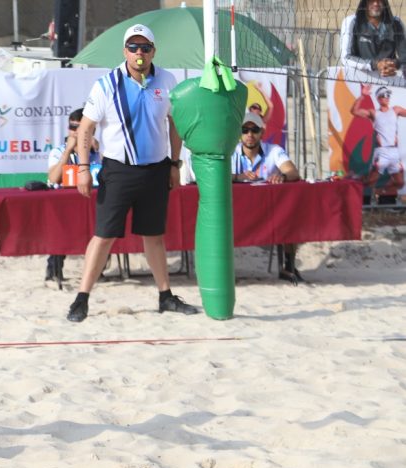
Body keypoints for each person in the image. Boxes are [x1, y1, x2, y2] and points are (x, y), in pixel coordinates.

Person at [67, 24, 198, 322]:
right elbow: (86, 128)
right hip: (118, 170)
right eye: (134, 47)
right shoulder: (107, 83)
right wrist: (84, 168)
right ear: (124, 50)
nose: (140, 53)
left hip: (155, 169)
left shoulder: (167, 79)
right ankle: (81, 298)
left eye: (145, 47)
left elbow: (174, 124)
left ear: (154, 50)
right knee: (104, 235)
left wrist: (174, 164)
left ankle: (165, 296)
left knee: (153, 235)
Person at [229, 111, 305, 284]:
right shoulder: (230, 151)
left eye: (254, 130)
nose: (249, 135)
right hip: (237, 210)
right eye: (245, 130)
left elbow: (293, 172)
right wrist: (237, 177)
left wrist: (282, 177)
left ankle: (289, 265)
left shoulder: (274, 151)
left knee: (289, 213)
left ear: (262, 133)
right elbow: (216, 176)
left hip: (267, 211)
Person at [45, 108, 100, 283]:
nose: (75, 132)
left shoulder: (97, 152)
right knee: (60, 229)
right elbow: (53, 178)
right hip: (64, 203)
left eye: (79, 127)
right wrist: (67, 152)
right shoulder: (58, 151)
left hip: (90, 200)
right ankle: (54, 270)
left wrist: (97, 152)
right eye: (72, 127)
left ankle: (98, 270)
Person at [349, 84, 406, 194]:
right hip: (382, 152)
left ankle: (380, 192)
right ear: (379, 98)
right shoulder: (374, 113)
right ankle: (353, 183)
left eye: (388, 95)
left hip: (394, 152)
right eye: (384, 95)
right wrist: (362, 96)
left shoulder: (395, 110)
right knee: (370, 182)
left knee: (400, 183)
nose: (387, 97)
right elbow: (354, 111)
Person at [340, 0, 406, 80]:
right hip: (359, 79)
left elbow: (404, 56)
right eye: (371, 0)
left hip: (389, 80)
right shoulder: (351, 22)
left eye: (380, 0)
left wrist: (394, 64)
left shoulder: (396, 23)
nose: (376, 3)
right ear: (365, 2)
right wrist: (375, 64)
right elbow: (346, 58)